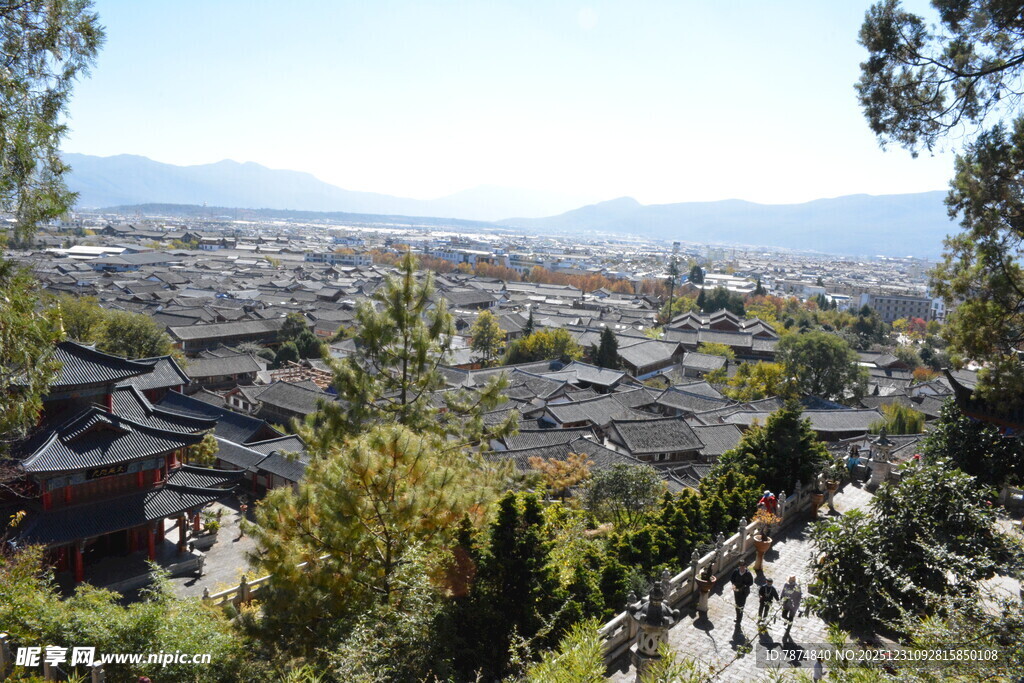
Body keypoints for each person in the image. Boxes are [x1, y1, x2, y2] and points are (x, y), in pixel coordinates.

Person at [730, 560, 754, 625]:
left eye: (743, 566)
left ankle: (739, 620)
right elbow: (732, 579)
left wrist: (745, 586)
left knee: (741, 606)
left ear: (745, 566)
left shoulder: (748, 573)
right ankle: (737, 617)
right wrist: (734, 585)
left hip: (744, 592)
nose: (742, 568)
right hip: (737, 591)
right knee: (737, 605)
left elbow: (751, 582)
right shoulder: (736, 571)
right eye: (741, 566)